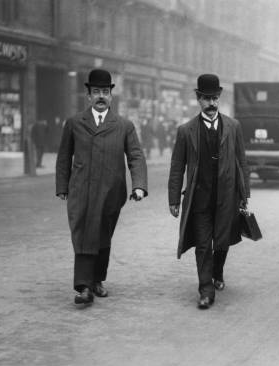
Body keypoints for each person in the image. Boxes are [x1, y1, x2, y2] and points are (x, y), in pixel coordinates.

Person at [56, 69, 148, 307]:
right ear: (88, 96)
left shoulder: (124, 126)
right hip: (82, 191)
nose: (100, 96)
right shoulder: (75, 123)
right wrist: (62, 186)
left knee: (103, 236)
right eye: (96, 92)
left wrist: (139, 186)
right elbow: (64, 157)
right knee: (83, 233)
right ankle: (84, 287)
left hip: (111, 192)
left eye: (105, 92)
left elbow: (136, 156)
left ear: (111, 96)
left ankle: (97, 279)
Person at [168, 73, 250, 309]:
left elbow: (242, 162)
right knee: (203, 244)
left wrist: (245, 195)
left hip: (226, 197)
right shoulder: (186, 131)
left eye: (215, 98)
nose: (211, 103)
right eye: (206, 98)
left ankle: (218, 272)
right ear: (198, 99)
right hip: (199, 199)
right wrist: (174, 199)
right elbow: (177, 167)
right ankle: (206, 290)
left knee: (222, 242)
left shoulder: (233, 127)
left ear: (219, 98)